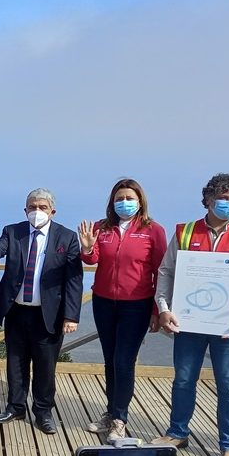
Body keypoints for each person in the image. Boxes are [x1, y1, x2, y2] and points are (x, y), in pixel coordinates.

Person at [152, 173, 229, 456]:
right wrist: (163, 308)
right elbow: (166, 272)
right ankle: (177, 433)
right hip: (188, 322)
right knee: (183, 379)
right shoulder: (185, 232)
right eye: (223, 198)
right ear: (207, 199)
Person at [0, 188, 83, 434]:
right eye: (32, 207)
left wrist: (71, 315)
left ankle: (43, 412)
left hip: (49, 314)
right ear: (25, 210)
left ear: (52, 211)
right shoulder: (13, 231)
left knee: (45, 366)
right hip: (16, 310)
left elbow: (74, 280)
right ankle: (15, 407)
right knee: (15, 362)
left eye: (42, 207)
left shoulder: (66, 238)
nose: (37, 211)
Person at [78, 179, 167, 442]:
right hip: (104, 301)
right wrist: (86, 247)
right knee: (109, 359)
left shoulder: (153, 231)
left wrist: (156, 310)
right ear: (112, 202)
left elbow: (160, 271)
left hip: (137, 304)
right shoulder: (100, 227)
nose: (124, 202)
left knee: (123, 361)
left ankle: (119, 418)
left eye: (129, 197)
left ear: (140, 201)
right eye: (119, 198)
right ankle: (110, 411)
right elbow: (92, 260)